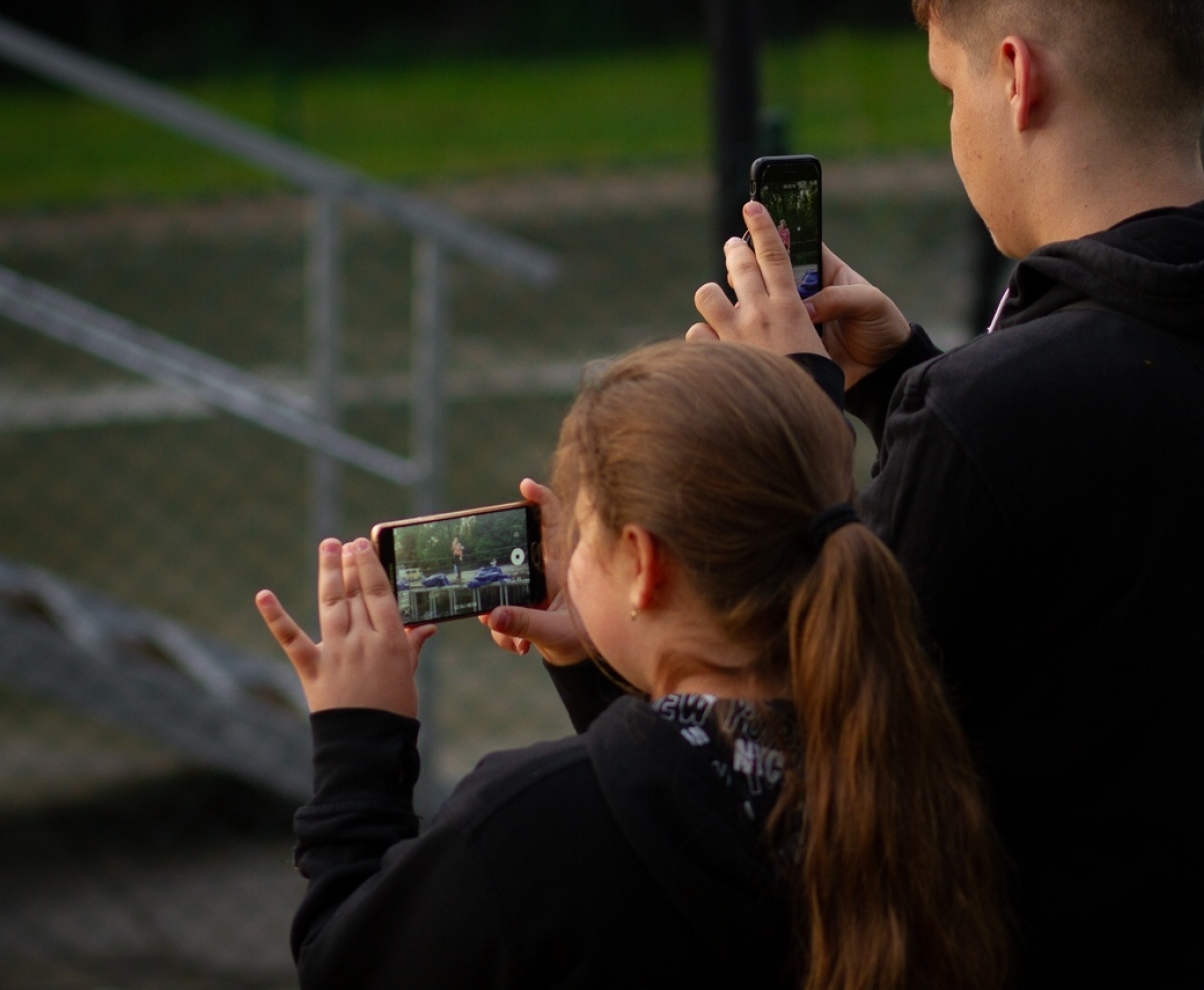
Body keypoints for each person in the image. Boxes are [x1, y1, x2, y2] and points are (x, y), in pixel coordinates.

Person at [678, 0, 1204, 986]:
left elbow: (799, 752)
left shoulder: (1002, 415)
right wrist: (904, 383)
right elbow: (1136, 507)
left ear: (1015, 78)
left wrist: (786, 407)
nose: (952, 126)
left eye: (947, 89)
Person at [254, 341, 1009, 990]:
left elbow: (346, 965)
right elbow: (680, 799)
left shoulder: (525, 826)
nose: (570, 559)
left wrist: (359, 739)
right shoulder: (913, 755)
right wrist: (601, 657)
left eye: (583, 536)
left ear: (642, 563)